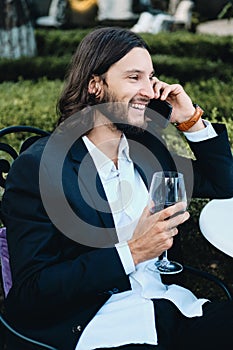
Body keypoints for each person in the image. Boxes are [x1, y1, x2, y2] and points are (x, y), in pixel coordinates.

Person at [1, 27, 233, 350]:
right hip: (102, 325)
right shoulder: (39, 168)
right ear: (95, 85)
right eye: (134, 77)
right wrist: (133, 251)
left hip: (174, 307)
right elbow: (31, 292)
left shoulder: (145, 151)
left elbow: (224, 182)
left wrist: (190, 118)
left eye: (151, 78)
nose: (150, 91)